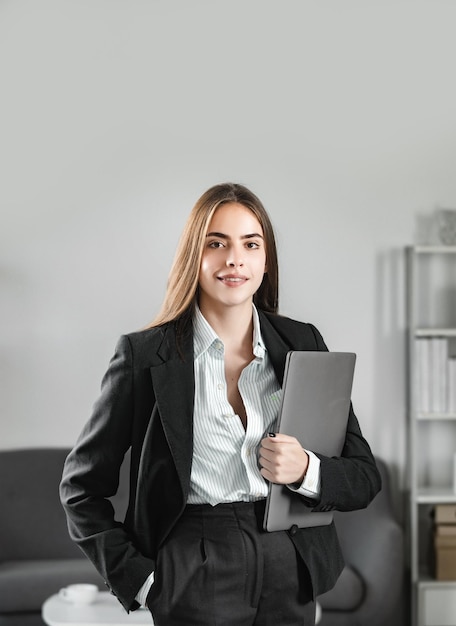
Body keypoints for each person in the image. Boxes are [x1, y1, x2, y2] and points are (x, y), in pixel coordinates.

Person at [60, 182, 381, 626]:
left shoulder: (304, 343)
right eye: (217, 243)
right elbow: (81, 488)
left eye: (250, 244)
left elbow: (364, 476)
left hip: (290, 559)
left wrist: (307, 469)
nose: (235, 259)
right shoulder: (142, 356)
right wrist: (139, 579)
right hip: (193, 566)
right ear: (196, 255)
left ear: (265, 261)